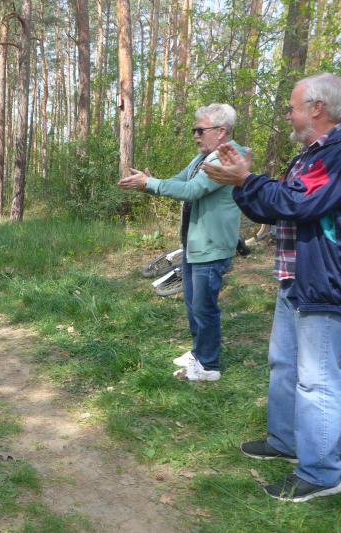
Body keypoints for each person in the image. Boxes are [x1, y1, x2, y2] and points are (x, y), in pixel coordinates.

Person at [202, 73, 341, 502]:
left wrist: (247, 179)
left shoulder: (336, 154)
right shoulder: (307, 157)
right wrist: (241, 183)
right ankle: (286, 440)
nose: (288, 115)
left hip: (323, 284)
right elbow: (275, 206)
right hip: (293, 278)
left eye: (292, 108)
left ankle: (321, 472)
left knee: (317, 382)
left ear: (317, 108)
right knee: (283, 364)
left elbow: (299, 203)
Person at [118, 104, 245, 382]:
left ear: (221, 131)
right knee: (193, 304)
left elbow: (193, 190)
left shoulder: (228, 158)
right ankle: (199, 353)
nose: (195, 135)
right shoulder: (204, 157)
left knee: (204, 307)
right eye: (194, 130)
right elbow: (179, 180)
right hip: (194, 244)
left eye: (200, 130)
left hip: (211, 247)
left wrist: (152, 183)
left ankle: (208, 366)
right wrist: (149, 183)